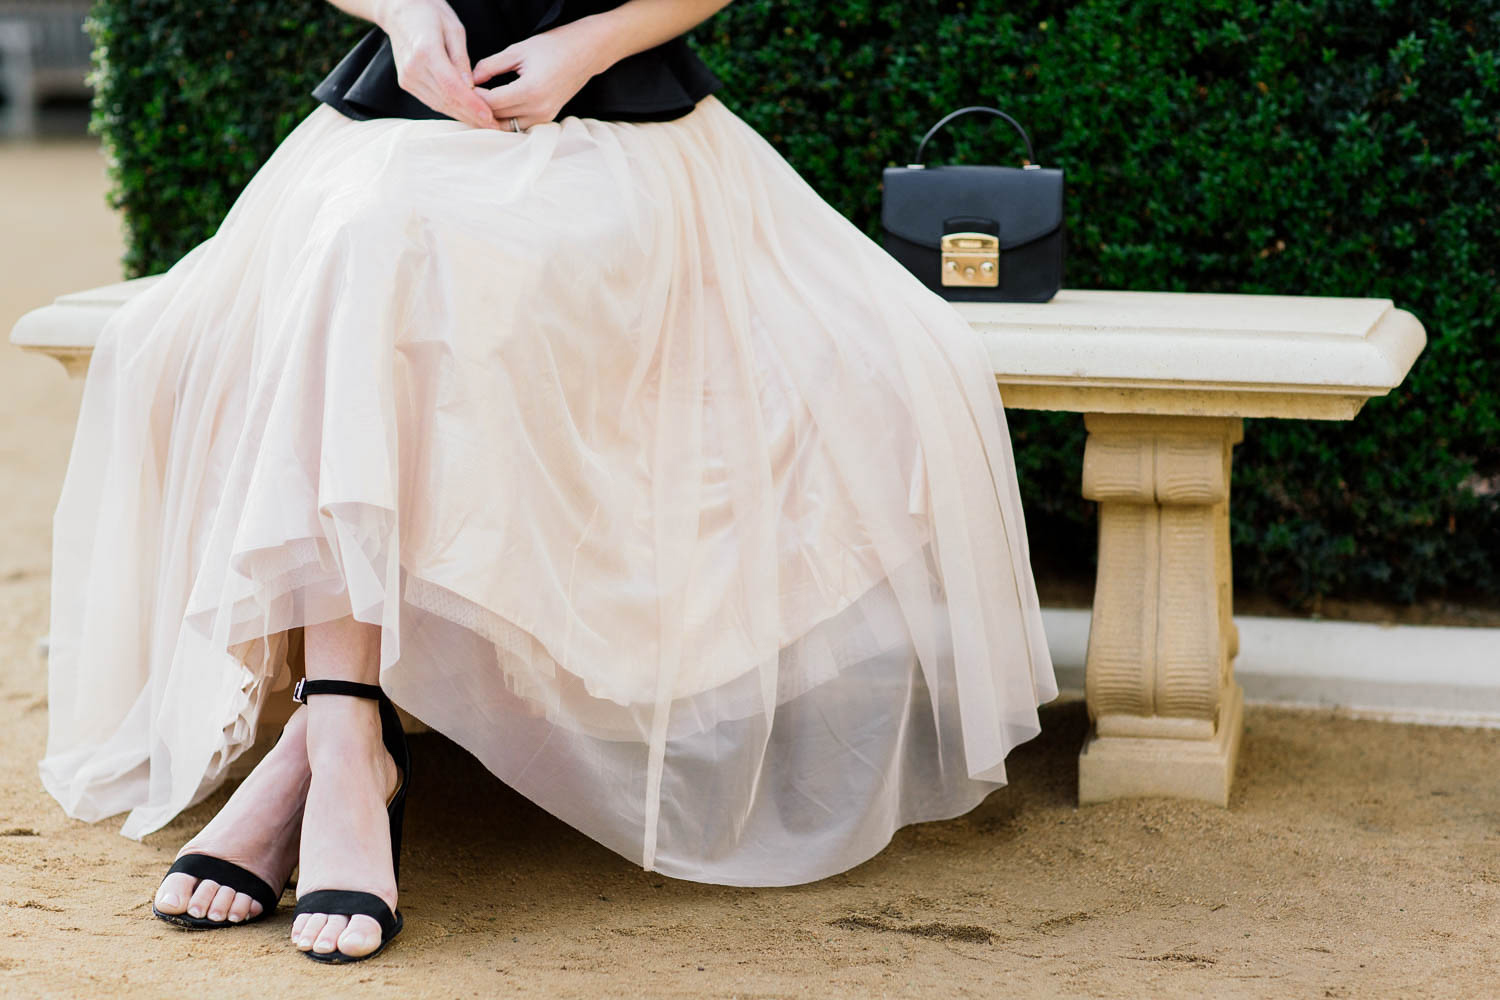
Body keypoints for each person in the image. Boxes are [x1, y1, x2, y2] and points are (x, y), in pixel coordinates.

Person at [38, 0, 1057, 964]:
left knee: (376, 259)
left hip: (619, 143)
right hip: (390, 136)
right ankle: (344, 727)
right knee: (358, 246)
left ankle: (333, 738)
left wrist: (589, 45)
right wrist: (402, 14)